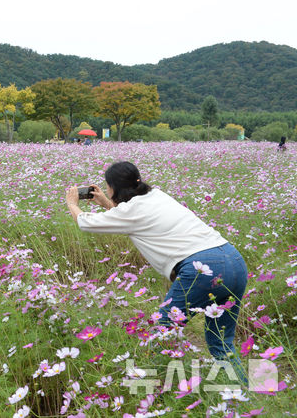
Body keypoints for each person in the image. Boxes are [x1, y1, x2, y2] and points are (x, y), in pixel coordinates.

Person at [65, 162, 248, 379]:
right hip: (234, 260)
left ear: (116, 188)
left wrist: (72, 203)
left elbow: (86, 222)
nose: (106, 191)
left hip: (201, 268)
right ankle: (244, 396)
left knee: (161, 332)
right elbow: (131, 218)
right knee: (221, 341)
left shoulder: (131, 210)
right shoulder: (157, 196)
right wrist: (106, 204)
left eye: (108, 187)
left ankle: (155, 388)